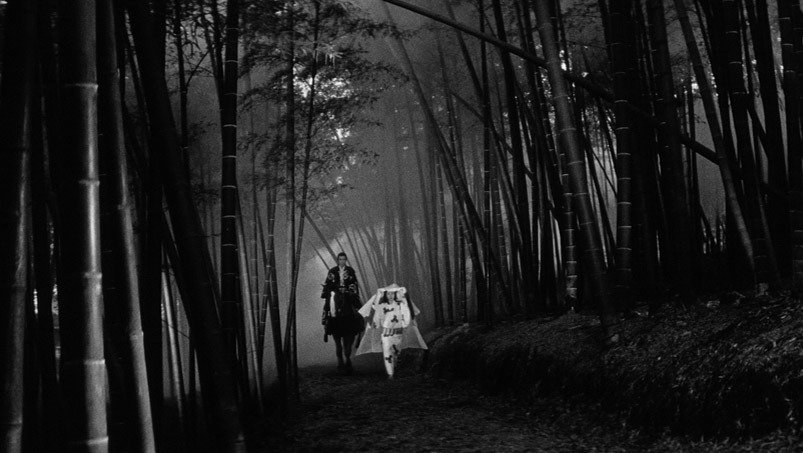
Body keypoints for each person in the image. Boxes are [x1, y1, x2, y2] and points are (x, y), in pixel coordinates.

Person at [356, 283, 427, 379]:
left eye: (392, 293)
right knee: (387, 352)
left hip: (397, 334)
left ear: (396, 294)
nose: (390, 296)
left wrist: (404, 295)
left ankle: (394, 367)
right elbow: (376, 314)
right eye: (388, 294)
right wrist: (378, 296)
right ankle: (390, 373)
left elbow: (407, 314)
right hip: (386, 335)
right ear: (385, 295)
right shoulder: (382, 306)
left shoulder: (400, 305)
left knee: (396, 352)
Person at [320, 252, 364, 372]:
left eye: (344, 259)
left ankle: (360, 322)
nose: (342, 261)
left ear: (346, 260)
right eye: (340, 259)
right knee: (329, 303)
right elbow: (328, 284)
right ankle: (326, 320)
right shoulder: (332, 271)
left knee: (357, 305)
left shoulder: (350, 271)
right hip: (335, 293)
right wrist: (333, 289)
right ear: (337, 260)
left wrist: (348, 289)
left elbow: (354, 284)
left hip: (347, 293)